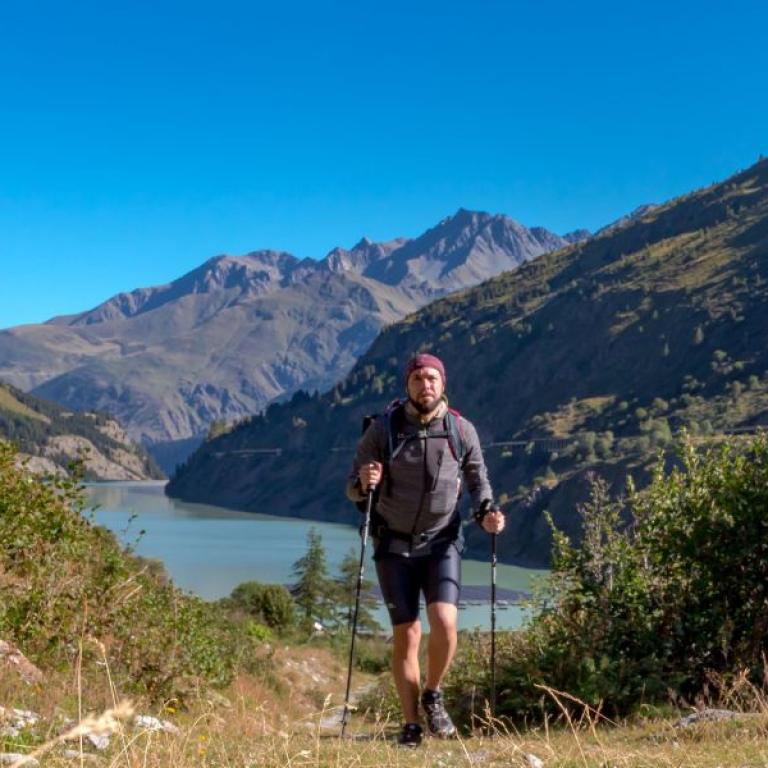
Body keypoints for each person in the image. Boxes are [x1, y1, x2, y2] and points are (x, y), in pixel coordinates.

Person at [346, 352, 505, 746]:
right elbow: (352, 488)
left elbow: (478, 480)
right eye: (417, 379)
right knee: (408, 635)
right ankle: (411, 724)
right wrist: (365, 481)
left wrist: (487, 512)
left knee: (446, 623)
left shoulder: (460, 430)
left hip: (442, 542)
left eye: (431, 378)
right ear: (407, 386)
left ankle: (433, 693)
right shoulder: (382, 430)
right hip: (393, 544)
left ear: (443, 383)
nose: (425, 385)